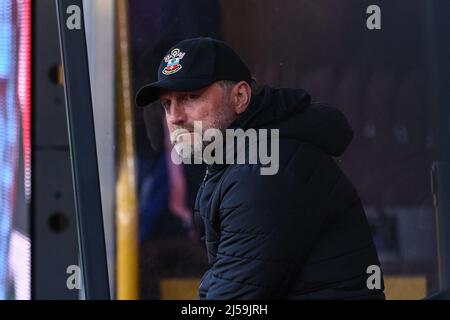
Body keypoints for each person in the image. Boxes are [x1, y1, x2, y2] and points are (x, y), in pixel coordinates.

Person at [135, 37, 385, 299]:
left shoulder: (264, 171)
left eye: (190, 97)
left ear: (240, 97)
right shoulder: (239, 159)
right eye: (166, 104)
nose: (175, 116)